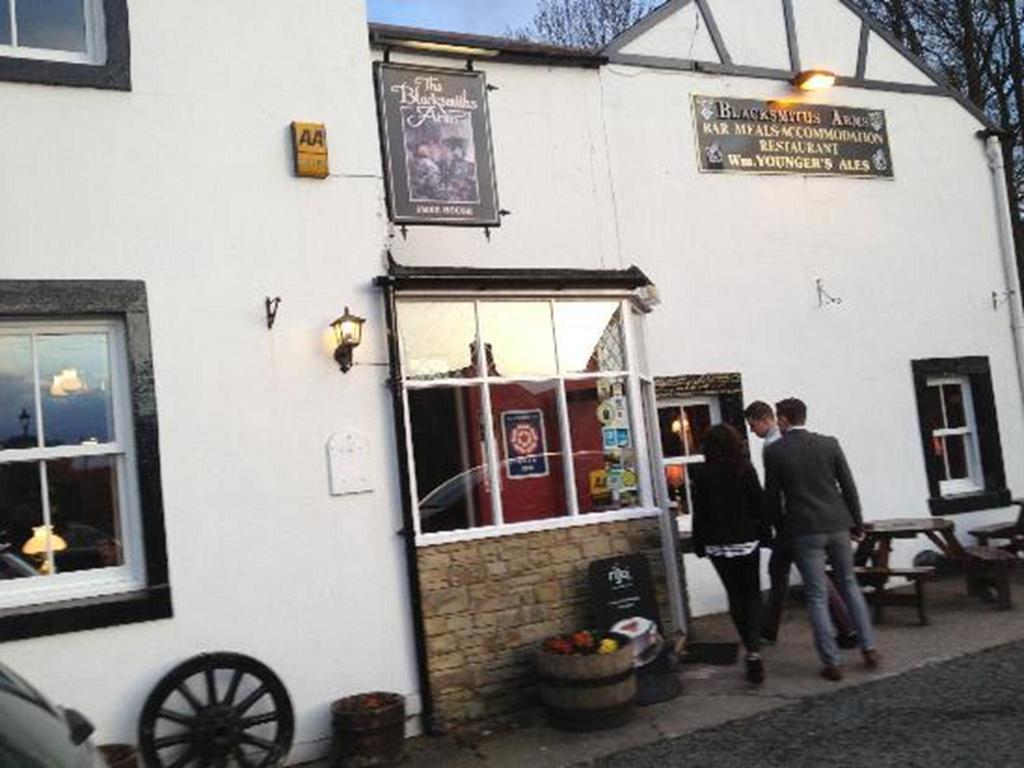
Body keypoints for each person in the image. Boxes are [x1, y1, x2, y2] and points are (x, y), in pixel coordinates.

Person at [764, 398, 879, 681]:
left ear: (784, 420)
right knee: (849, 585)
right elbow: (847, 485)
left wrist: (782, 529)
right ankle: (869, 647)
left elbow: (772, 498)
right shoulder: (830, 444)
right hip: (838, 522)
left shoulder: (776, 452)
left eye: (779, 417)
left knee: (816, 594)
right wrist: (856, 522)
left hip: (804, 528)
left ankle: (832, 661)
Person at [745, 401, 857, 649]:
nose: (752, 431)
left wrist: (775, 522)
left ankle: (846, 627)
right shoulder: (775, 442)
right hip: (797, 521)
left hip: (794, 523)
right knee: (781, 571)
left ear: (765, 419)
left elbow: (778, 490)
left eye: (753, 425)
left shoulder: (775, 445)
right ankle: (771, 628)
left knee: (811, 578)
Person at [691, 423, 771, 684]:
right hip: (745, 540)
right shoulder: (744, 469)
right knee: (752, 594)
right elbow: (759, 504)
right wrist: (767, 533)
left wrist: (699, 544)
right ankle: (755, 652)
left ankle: (748, 648)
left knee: (735, 596)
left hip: (717, 544)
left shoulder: (701, 474)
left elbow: (700, 513)